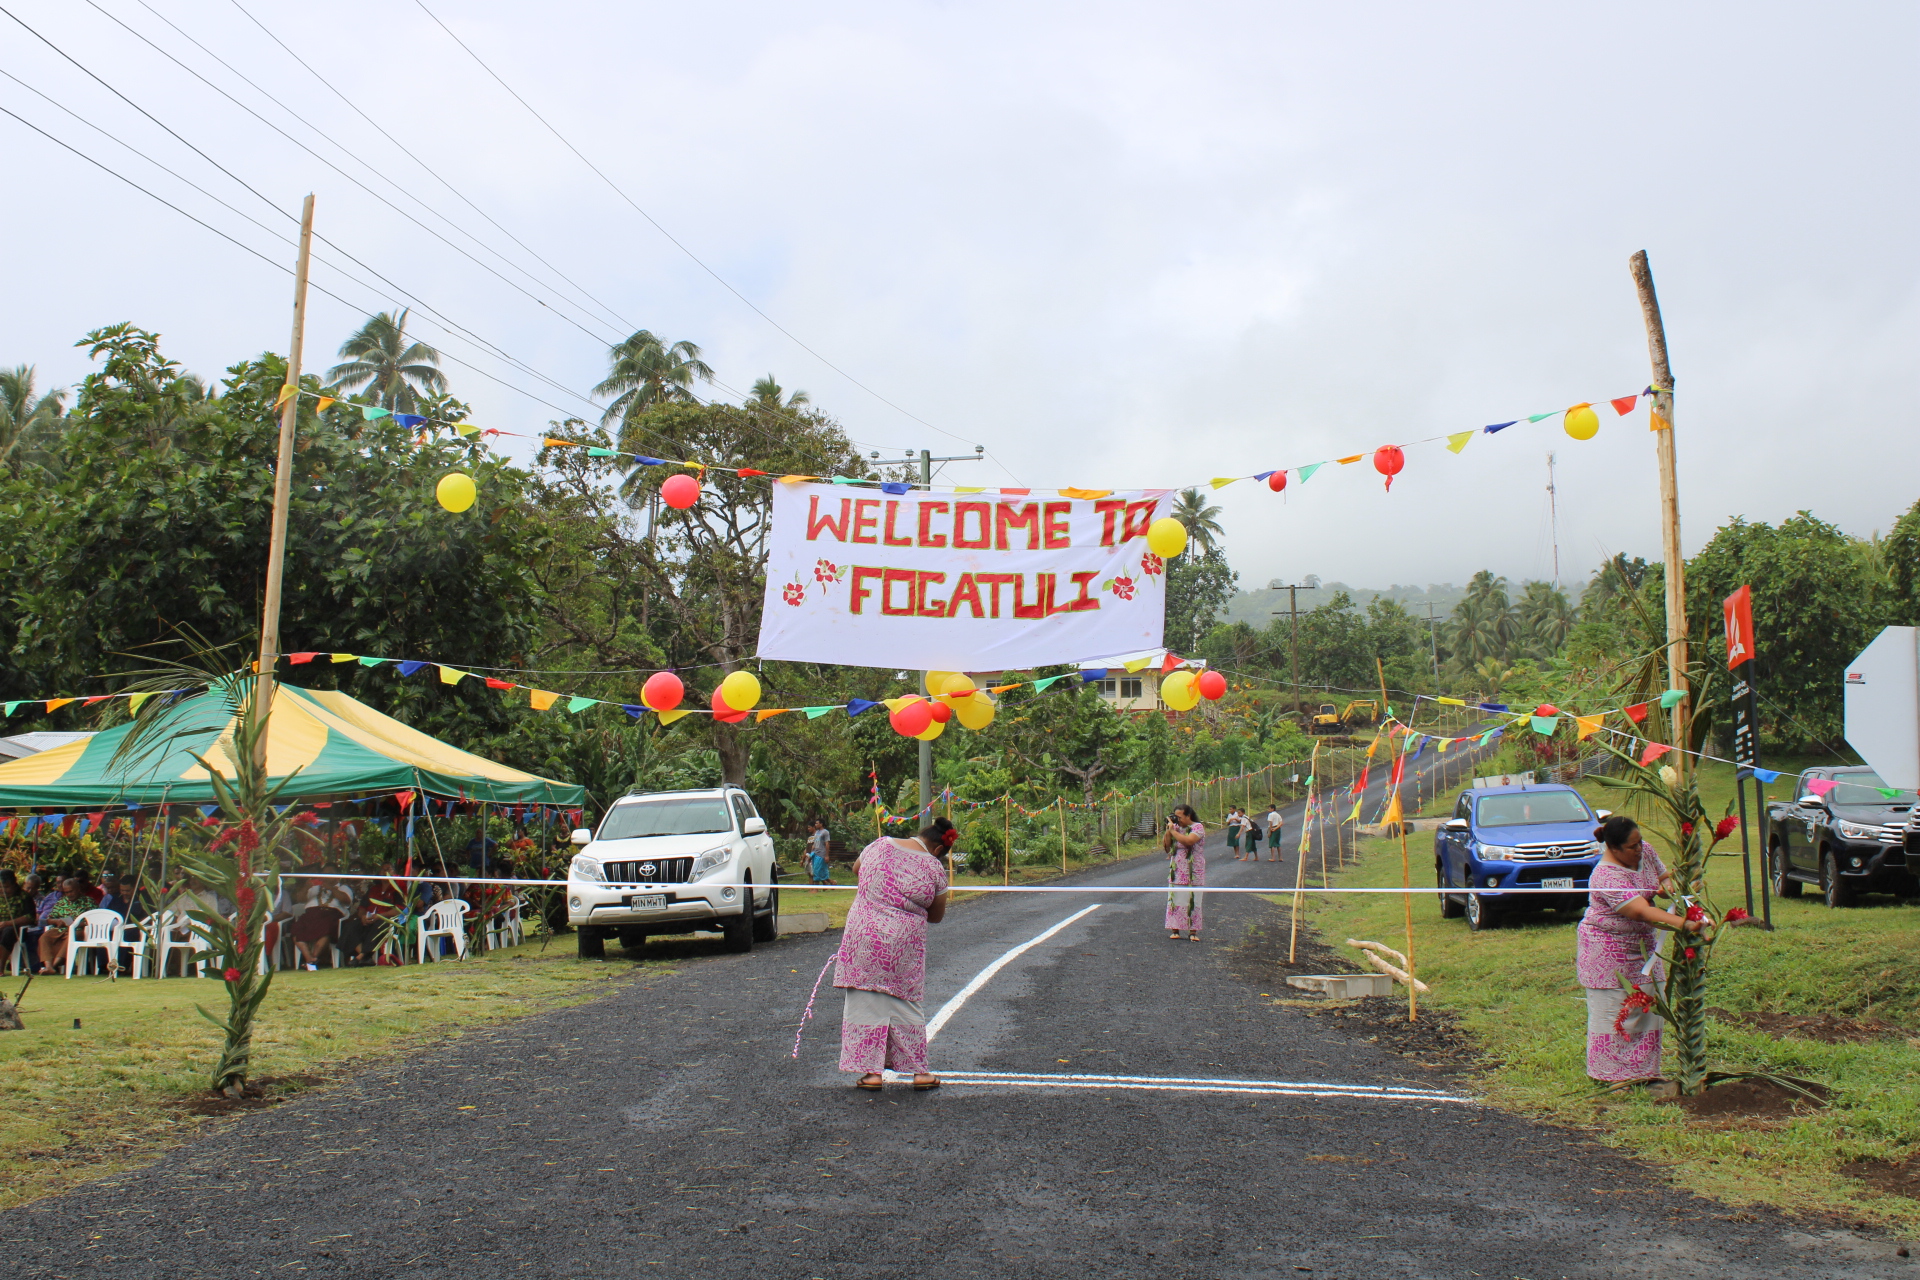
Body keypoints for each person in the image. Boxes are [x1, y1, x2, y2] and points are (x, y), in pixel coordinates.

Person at [1577, 815, 1706, 1086]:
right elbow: (1640, 911)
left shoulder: (1644, 850)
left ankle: (1645, 1073)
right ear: (1613, 848)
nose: (1639, 850)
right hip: (1609, 951)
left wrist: (1667, 889)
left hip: (1644, 947)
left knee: (1648, 1007)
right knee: (1616, 1012)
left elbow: (1664, 876)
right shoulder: (1605, 875)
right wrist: (1686, 924)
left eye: (1640, 842)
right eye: (1632, 847)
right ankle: (1612, 1077)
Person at [835, 817, 953, 1091]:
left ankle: (872, 1074)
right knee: (905, 1001)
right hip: (903, 944)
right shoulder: (934, 868)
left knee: (863, 999)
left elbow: (857, 869)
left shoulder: (879, 845)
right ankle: (919, 1073)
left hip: (863, 936)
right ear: (937, 850)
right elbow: (936, 916)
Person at [1164, 805, 1206, 941]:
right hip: (1177, 868)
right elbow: (1166, 847)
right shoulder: (1175, 828)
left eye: (1180, 817)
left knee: (1193, 899)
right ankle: (1175, 929)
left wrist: (1174, 832)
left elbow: (1189, 841)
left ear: (1188, 815)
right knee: (1176, 899)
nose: (1178, 820)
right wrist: (1168, 831)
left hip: (1194, 869)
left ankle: (1193, 932)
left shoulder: (1198, 827)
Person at [0, 869, 35, 966]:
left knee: (8, 931)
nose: (3, 890)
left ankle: (1, 965)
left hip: (16, 930)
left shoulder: (24, 897)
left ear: (14, 885)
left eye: (6, 887)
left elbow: (30, 917)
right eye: (1, 887)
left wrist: (7, 923)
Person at [807, 818, 833, 885]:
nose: (815, 825)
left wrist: (826, 855)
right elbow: (814, 843)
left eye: (817, 823)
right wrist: (811, 854)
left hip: (821, 854)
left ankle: (816, 888)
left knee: (817, 870)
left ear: (821, 824)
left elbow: (827, 843)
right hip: (815, 853)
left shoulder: (825, 832)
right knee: (817, 870)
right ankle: (831, 882)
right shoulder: (816, 833)